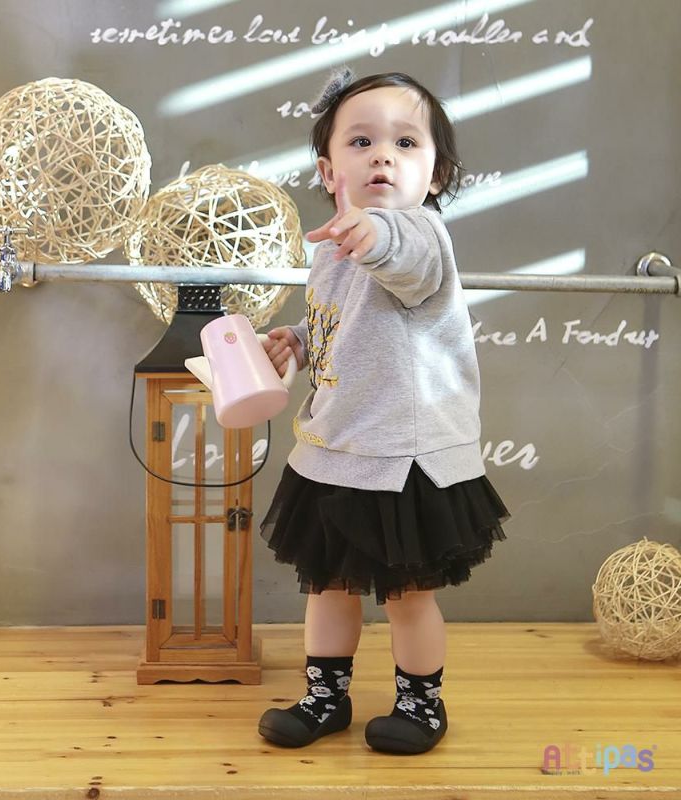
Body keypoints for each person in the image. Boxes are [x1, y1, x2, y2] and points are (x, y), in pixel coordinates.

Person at [258, 69, 510, 755]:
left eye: (405, 143)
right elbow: (348, 323)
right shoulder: (330, 251)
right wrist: (299, 340)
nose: (383, 157)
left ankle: (421, 704)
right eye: (361, 141)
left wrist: (373, 234)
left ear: (435, 174)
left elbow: (408, 268)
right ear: (328, 169)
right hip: (338, 447)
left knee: (407, 595)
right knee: (328, 588)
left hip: (406, 458)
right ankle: (325, 697)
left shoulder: (420, 234)